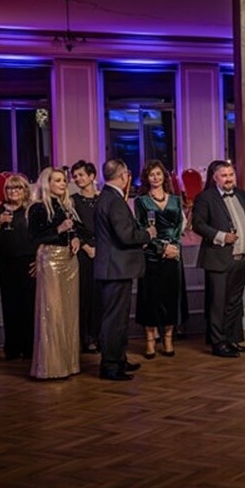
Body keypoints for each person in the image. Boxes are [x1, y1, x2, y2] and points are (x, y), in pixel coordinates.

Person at [94, 159, 156, 380]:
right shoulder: (114, 200)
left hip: (115, 267)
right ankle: (111, 365)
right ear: (123, 176)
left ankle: (119, 359)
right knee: (114, 320)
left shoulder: (106, 197)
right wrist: (147, 234)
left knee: (118, 319)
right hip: (116, 268)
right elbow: (125, 235)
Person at [192, 160, 245, 358]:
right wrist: (221, 236)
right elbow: (198, 225)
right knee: (217, 304)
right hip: (218, 258)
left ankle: (231, 339)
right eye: (224, 175)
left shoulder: (242, 194)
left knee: (234, 302)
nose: (229, 179)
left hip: (242, 258)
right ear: (215, 178)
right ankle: (218, 343)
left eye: (231, 174)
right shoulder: (206, 198)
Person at [27, 167, 82, 380]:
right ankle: (51, 366)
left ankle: (69, 363)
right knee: (52, 311)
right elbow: (34, 237)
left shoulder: (66, 205)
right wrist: (58, 230)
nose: (62, 183)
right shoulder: (38, 208)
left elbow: (74, 230)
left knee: (69, 312)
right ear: (46, 183)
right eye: (57, 180)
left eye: (63, 180)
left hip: (69, 259)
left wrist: (75, 238)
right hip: (50, 258)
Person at [133, 160, 187, 358]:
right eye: (151, 175)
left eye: (158, 174)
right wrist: (161, 248)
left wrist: (174, 247)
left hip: (173, 254)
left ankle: (168, 338)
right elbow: (141, 229)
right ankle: (149, 340)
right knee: (151, 298)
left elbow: (179, 227)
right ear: (146, 178)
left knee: (171, 297)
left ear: (164, 176)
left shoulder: (176, 200)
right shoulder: (141, 201)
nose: (155, 178)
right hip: (151, 255)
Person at [0, 174, 37, 361]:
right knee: (10, 306)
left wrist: (39, 260)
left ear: (25, 190)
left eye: (17, 188)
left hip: (29, 263)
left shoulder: (32, 210)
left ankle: (29, 348)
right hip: (7, 264)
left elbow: (40, 237)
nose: (13, 191)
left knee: (29, 306)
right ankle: (13, 348)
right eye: (9, 188)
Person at [70, 160, 101, 353]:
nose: (78, 179)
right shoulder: (72, 200)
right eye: (75, 176)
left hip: (103, 251)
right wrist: (85, 246)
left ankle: (101, 336)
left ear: (92, 176)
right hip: (83, 252)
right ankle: (86, 337)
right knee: (85, 294)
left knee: (101, 296)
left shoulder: (103, 198)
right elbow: (72, 228)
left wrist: (100, 248)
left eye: (81, 175)